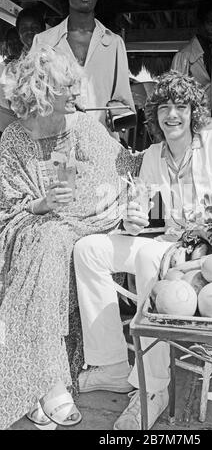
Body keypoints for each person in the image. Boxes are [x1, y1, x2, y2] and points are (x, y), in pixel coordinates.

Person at [73, 71, 212, 430]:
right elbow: (149, 220)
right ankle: (112, 366)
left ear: (193, 111)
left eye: (181, 106)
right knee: (88, 249)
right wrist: (134, 222)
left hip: (207, 257)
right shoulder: (153, 154)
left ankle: (153, 388)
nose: (172, 115)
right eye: (164, 107)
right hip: (166, 245)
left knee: (150, 255)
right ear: (155, 115)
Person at [0, 46, 141, 430]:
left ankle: (46, 382)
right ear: (44, 91)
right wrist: (41, 204)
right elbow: (7, 208)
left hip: (84, 222)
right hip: (34, 226)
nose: (77, 93)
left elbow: (121, 167)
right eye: (68, 86)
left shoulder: (82, 126)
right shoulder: (13, 138)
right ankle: (47, 379)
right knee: (42, 243)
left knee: (52, 241)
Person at [31, 0, 134, 133]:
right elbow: (33, 99)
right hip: (56, 144)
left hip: (102, 144)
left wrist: (117, 115)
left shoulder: (114, 43)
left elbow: (124, 107)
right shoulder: (43, 42)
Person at [171, 1, 212, 119]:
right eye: (211, 22)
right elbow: (175, 101)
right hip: (189, 125)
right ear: (199, 24)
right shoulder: (184, 56)